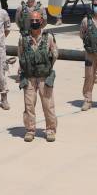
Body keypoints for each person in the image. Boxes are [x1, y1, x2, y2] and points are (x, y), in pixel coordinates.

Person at [18, 11, 58, 142]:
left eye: (37, 20)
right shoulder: (23, 39)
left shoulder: (49, 38)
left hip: (43, 77)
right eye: (32, 20)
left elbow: (55, 54)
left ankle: (50, 129)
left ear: (41, 21)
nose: (34, 23)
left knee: (48, 104)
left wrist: (46, 68)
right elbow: (21, 55)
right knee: (29, 105)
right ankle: (30, 130)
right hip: (29, 77)